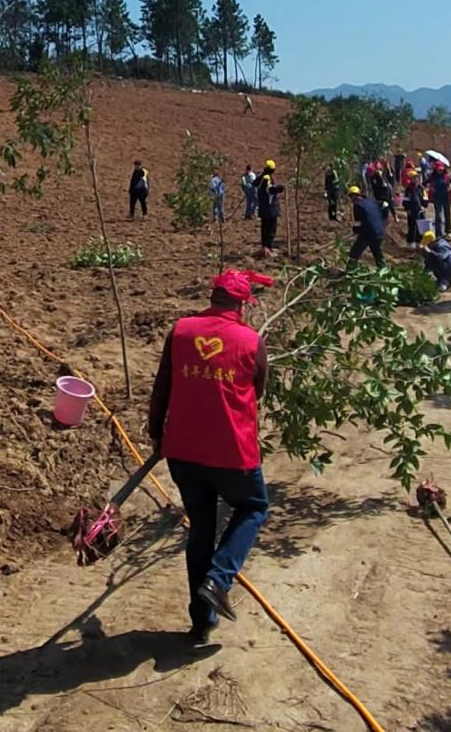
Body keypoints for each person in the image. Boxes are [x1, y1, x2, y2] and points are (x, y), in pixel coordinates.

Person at [147, 269, 274, 645]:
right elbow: (260, 390)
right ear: (242, 304)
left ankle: (201, 622)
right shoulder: (251, 341)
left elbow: (161, 388)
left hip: (182, 452)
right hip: (232, 452)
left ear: (213, 296)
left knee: (201, 527)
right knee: (253, 507)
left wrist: (157, 434)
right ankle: (218, 579)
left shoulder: (181, 330)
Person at [347, 185, 386, 267]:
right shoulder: (371, 201)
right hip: (380, 230)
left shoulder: (357, 206)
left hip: (369, 232)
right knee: (376, 251)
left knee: (355, 252)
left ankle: (350, 270)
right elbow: (384, 206)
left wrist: (355, 231)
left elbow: (358, 222)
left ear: (352, 196)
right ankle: (384, 270)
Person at [256, 160, 283, 256]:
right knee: (271, 229)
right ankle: (268, 248)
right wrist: (279, 189)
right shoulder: (267, 178)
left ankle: (265, 247)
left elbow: (255, 184)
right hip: (270, 209)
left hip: (263, 208)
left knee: (265, 228)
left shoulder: (261, 177)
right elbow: (269, 190)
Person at [427, 163, 451, 239]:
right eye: (439, 169)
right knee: (438, 216)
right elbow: (425, 183)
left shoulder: (446, 176)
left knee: (447, 214)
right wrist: (431, 188)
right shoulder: (433, 177)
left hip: (446, 197)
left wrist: (450, 187)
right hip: (437, 198)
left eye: (441, 169)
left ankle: (448, 231)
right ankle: (438, 233)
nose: (440, 171)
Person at [402, 169, 426, 248]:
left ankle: (419, 242)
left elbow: (425, 198)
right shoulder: (408, 189)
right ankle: (410, 242)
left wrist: (424, 206)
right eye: (413, 178)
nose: (415, 179)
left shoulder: (421, 188)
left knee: (421, 227)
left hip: (421, 211)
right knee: (412, 226)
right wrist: (407, 209)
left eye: (416, 177)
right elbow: (405, 201)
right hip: (412, 210)